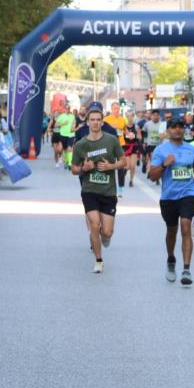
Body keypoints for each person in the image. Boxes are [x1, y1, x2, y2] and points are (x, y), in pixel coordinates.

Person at [70, 107, 124, 274]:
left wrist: (111, 166)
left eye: (98, 119)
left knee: (106, 232)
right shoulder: (81, 145)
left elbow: (124, 161)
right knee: (94, 224)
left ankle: (104, 237)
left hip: (108, 191)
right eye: (92, 119)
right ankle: (99, 260)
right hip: (89, 190)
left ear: (102, 122)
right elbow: (73, 169)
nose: (95, 122)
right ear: (87, 122)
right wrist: (84, 168)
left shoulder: (111, 140)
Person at [148, 117, 194, 285]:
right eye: (174, 127)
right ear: (168, 130)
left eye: (181, 127)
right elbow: (152, 175)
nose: (178, 130)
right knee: (171, 230)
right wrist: (165, 165)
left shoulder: (192, 149)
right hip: (168, 197)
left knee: (186, 226)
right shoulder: (161, 150)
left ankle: (186, 269)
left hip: (188, 194)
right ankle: (171, 259)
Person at [103, 102, 128, 194]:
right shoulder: (106, 119)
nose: (117, 110)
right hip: (109, 145)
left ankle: (120, 187)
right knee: (109, 165)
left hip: (120, 144)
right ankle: (108, 185)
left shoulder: (122, 119)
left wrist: (130, 134)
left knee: (121, 166)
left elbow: (125, 131)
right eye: (115, 108)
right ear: (111, 109)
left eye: (118, 109)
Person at [142, 109, 166, 178]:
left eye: (157, 115)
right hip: (151, 144)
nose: (155, 117)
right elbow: (144, 133)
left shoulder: (162, 124)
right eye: (154, 115)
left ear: (159, 116)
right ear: (151, 116)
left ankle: (152, 171)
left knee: (158, 160)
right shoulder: (147, 124)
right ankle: (152, 172)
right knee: (153, 159)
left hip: (159, 145)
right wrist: (144, 142)